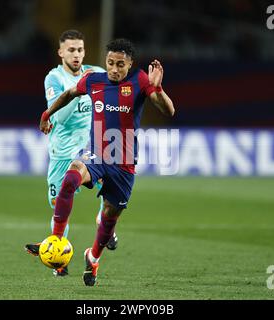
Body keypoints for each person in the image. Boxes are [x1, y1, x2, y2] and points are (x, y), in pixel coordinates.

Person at [39, 38, 175, 286]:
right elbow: (69, 94)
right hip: (96, 152)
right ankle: (57, 240)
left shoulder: (140, 80)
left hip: (123, 161)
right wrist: (48, 113)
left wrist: (159, 89)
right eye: (110, 63)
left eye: (120, 64)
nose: (114, 69)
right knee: (70, 178)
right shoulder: (94, 79)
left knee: (109, 217)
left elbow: (168, 111)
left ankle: (92, 257)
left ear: (130, 64)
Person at [24, 30, 118, 277]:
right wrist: (79, 90)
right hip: (62, 153)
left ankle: (102, 220)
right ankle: (59, 259)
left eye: (80, 50)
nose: (76, 55)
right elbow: (60, 116)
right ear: (61, 52)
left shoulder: (96, 71)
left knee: (110, 184)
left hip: (90, 148)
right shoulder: (54, 79)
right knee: (58, 207)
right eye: (71, 50)